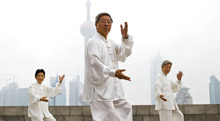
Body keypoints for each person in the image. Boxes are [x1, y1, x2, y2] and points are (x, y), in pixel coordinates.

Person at [83, 12, 134, 121]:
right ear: (96, 25)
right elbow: (94, 63)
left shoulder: (111, 43)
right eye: (103, 21)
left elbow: (123, 54)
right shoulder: (94, 42)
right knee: (107, 117)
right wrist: (113, 73)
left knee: (126, 108)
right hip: (100, 89)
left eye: (109, 22)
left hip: (115, 88)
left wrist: (125, 38)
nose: (106, 24)